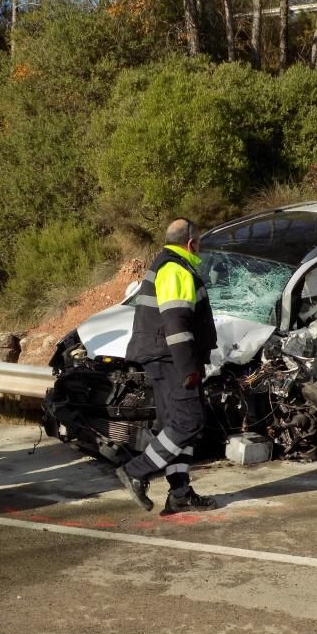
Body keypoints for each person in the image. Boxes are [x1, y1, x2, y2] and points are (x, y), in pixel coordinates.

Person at [115, 218, 219, 515]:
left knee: (178, 426)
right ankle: (136, 471)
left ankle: (180, 493)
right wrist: (189, 367)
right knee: (189, 423)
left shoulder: (167, 264)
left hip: (163, 357)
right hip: (172, 358)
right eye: (199, 242)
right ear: (191, 243)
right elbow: (176, 323)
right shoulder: (175, 269)